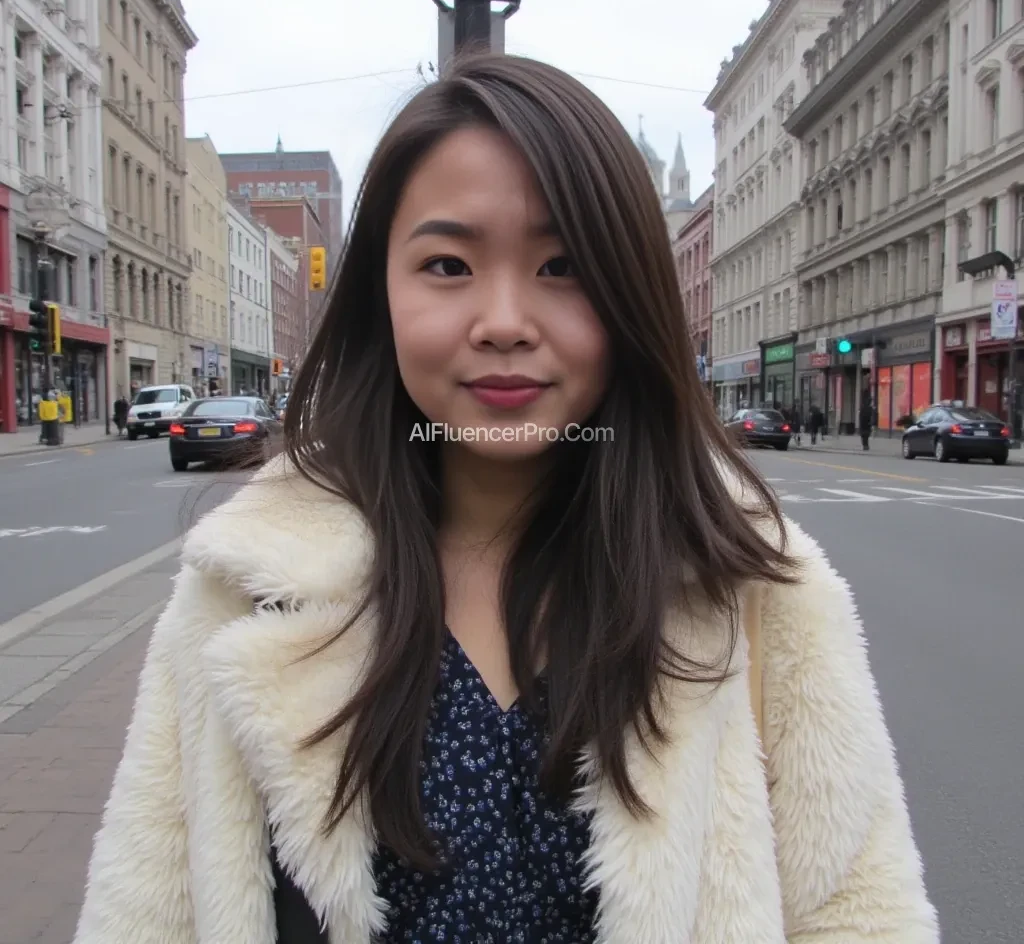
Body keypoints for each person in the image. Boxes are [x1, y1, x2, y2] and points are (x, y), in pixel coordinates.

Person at [73, 55, 938, 944]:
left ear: (629, 295)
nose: (504, 320)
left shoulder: (756, 589)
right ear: (382, 294)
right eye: (447, 264)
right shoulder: (244, 589)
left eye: (563, 266)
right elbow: (146, 910)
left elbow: (858, 913)